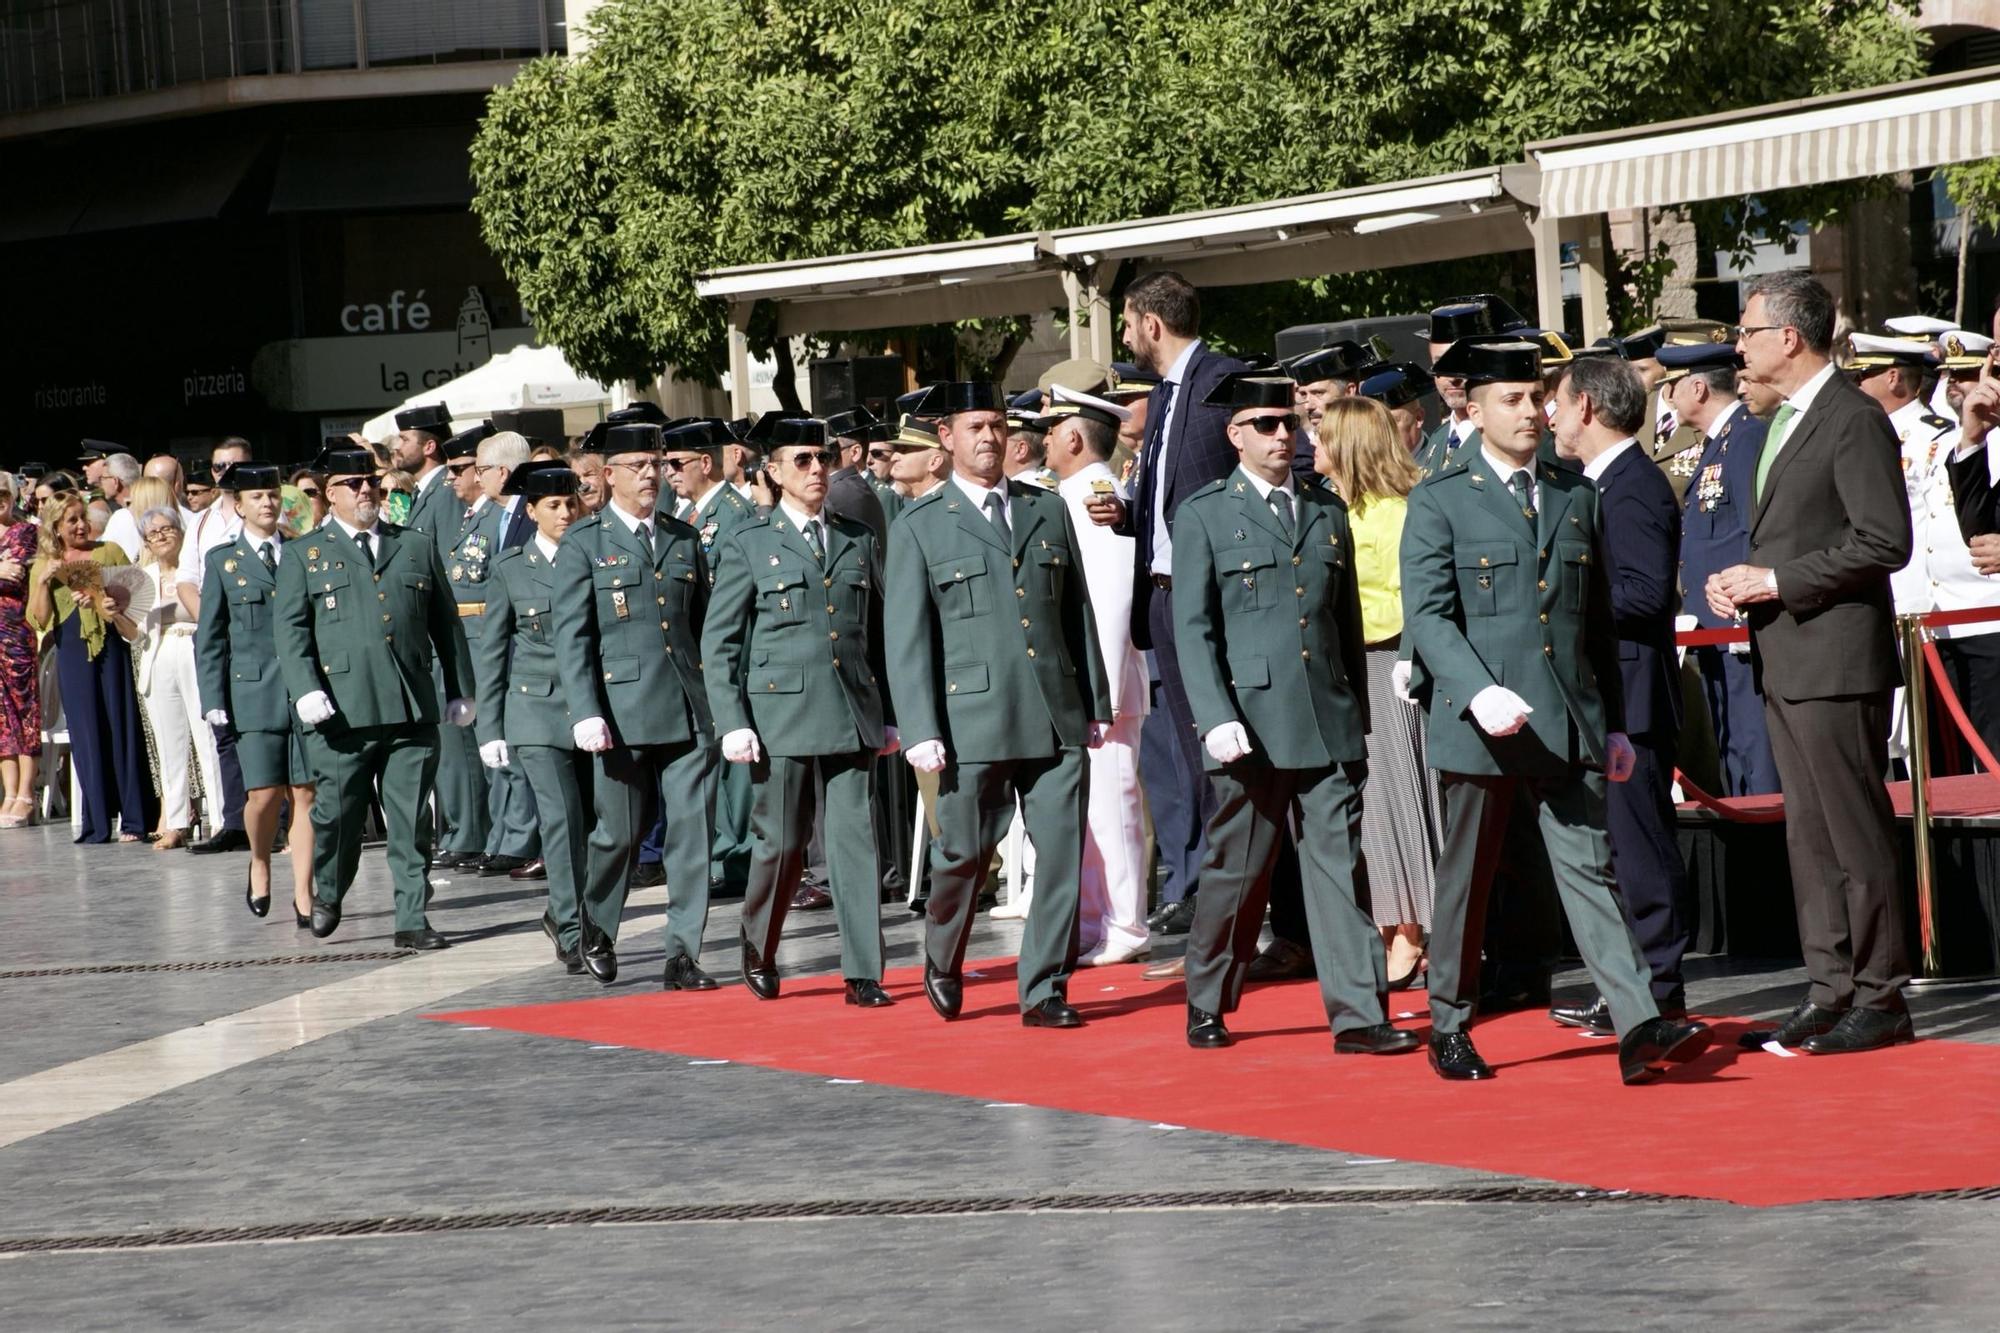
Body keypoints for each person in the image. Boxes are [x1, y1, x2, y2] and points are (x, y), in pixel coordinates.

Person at [1401, 336, 1711, 1084]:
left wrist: (1609, 722)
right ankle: (1449, 1021)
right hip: (1484, 722)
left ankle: (1638, 1023)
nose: (1532, 412)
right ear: (1473, 411)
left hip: (1567, 715)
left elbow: (1594, 618)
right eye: (1511, 400)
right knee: (1467, 879)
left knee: (1591, 869)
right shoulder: (1440, 498)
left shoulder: (1575, 494)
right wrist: (1478, 690)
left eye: (1537, 397)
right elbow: (1432, 617)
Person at [1166, 371, 1416, 1055]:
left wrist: (1356, 717)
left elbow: (1341, 617)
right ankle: (1208, 997)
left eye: (1290, 424)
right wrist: (1215, 715)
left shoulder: (1325, 508)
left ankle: (1360, 1013)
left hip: (1327, 716)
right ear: (1235, 435)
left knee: (1338, 868)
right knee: (1238, 869)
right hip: (1250, 722)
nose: (1284, 436)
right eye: (1267, 425)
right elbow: (1195, 626)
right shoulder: (1205, 513)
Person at [1710, 273, 1915, 1055]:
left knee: (1855, 833)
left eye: (1747, 330)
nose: (1739, 344)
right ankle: (1830, 987)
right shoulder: (1785, 421)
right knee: (1811, 837)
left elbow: (1882, 539)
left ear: (1788, 337)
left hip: (1835, 658)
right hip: (1788, 653)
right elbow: (1794, 535)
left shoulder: (1851, 418)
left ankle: (1880, 993)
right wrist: (1746, 580)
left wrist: (1779, 581)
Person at [885, 381, 1114, 1028]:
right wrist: (922, 726)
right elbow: (907, 638)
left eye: (995, 424)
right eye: (975, 426)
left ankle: (1043, 987)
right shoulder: (921, 526)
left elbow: (1077, 611)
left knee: (1061, 854)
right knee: (961, 855)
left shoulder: (1046, 508)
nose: (989, 437)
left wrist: (1094, 697)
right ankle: (942, 956)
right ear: (946, 440)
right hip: (971, 723)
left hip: (1052, 712)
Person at [702, 430, 898, 1005]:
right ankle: (757, 941)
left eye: (824, 459)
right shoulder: (748, 543)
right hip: (781, 713)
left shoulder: (856, 538)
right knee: (783, 842)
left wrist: (889, 712)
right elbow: (722, 643)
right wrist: (732, 720)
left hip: (850, 708)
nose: (818, 469)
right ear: (775, 472)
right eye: (803, 460)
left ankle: (864, 970)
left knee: (856, 842)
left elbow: (876, 634)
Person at [1086, 270, 1247, 943]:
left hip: (1209, 604)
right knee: (1195, 758)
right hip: (1165, 605)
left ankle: (1236, 909)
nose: (1126, 337)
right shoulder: (1165, 393)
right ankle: (1219, 904)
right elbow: (1174, 499)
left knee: (1225, 763)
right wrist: (1128, 515)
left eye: (1126, 324)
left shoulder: (1220, 383)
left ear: (1152, 324)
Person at [1546, 356, 1694, 1032]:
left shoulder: (1631, 486)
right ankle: (1634, 986)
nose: (1548, 415)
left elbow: (1643, 592)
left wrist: (1560, 600)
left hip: (1634, 698)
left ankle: (1659, 989)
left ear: (1586, 407)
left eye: (1555, 400)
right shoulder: (1600, 482)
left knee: (1641, 849)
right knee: (1618, 851)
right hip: (1611, 696)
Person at [275, 446, 473, 949]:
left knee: (410, 820)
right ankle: (330, 890)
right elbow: (292, 633)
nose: (367, 490)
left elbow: (445, 624)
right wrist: (305, 690)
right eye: (353, 483)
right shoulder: (304, 554)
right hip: (343, 708)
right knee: (338, 815)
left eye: (371, 482)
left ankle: (411, 918)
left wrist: (459, 689)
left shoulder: (414, 545)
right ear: (330, 493)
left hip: (410, 704)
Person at [552, 422, 719, 989]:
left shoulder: (682, 537)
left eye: (656, 464)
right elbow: (571, 637)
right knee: (617, 835)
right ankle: (595, 924)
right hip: (620, 713)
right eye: (638, 466)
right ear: (608, 475)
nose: (651, 475)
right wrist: (585, 710)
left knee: (692, 835)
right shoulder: (585, 543)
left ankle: (683, 954)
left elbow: (702, 628)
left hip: (687, 707)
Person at [1315, 397, 1441, 988]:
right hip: (1351, 665)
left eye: (1322, 437)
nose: (1310, 447)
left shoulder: (1395, 512)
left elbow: (1409, 596)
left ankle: (1413, 930)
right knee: (1372, 809)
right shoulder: (1338, 508)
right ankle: (1396, 925)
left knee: (1399, 801)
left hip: (1388, 661)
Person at [1040, 386, 1151, 966]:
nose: (1044, 438)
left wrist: (1098, 694)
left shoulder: (1096, 495)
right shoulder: (1074, 493)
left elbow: (1109, 601)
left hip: (1103, 685)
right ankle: (1094, 919)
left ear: (1075, 437)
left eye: (1052, 428)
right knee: (1090, 813)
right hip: (1088, 688)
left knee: (1113, 806)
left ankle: (1125, 924)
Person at [472, 460, 593, 974]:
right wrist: (490, 726)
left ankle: (563, 910)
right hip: (537, 711)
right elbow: (493, 651)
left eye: (572, 502)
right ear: (531, 510)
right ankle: (572, 928)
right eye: (553, 505)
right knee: (563, 823)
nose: (566, 513)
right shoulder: (511, 568)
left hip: (594, 712)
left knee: (596, 824)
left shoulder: (597, 555)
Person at [196, 462, 316, 925]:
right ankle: (261, 860)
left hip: (303, 690)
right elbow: (211, 637)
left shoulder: (303, 551)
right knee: (264, 795)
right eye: (257, 497)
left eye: (272, 495)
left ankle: (304, 893)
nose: (268, 503)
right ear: (238, 506)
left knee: (305, 792)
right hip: (253, 692)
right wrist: (214, 698)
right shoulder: (223, 561)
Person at [1659, 340, 1778, 796]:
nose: (1667, 399)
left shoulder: (1746, 438)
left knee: (1754, 754)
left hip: (1738, 627)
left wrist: (1747, 611)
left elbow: (1755, 528)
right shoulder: (1717, 444)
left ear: (1697, 388)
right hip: (1712, 626)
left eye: (1672, 387)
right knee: (1731, 754)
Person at [26, 493, 154, 843]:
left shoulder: (108, 550)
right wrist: (41, 581)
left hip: (111, 644)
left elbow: (137, 593)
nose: (82, 525)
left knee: (122, 726)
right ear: (56, 527)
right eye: (72, 520)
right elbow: (39, 619)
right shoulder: (45, 564)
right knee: (86, 734)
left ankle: (135, 819)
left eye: (83, 517)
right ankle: (96, 822)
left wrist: (106, 600)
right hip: (71, 650)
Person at [466, 429, 543, 880]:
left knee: (528, 756)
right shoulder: (498, 516)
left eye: (480, 470)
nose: (476, 480)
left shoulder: (528, 515)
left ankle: (524, 841)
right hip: (504, 644)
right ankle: (513, 838)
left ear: (502, 472)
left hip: (527, 647)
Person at [176, 437, 254, 855]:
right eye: (218, 466)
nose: (225, 473)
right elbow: (186, 577)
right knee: (222, 727)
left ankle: (272, 819)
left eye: (234, 465)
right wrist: (210, 620)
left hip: (254, 634)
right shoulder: (202, 521)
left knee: (261, 725)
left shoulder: (262, 510)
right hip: (215, 634)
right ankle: (235, 821)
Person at [428, 424, 498, 872]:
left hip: (480, 636)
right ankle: (472, 831)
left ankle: (483, 832)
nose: (450, 478)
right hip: (462, 637)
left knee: (480, 740)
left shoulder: (494, 517)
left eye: (459, 469)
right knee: (461, 737)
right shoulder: (472, 516)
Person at [133, 504, 223, 851]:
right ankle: (176, 820)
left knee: (208, 737)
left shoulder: (196, 566)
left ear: (180, 529)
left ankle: (219, 817)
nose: (160, 537)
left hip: (194, 646)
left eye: (166, 529)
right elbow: (134, 632)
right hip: (158, 654)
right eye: (152, 534)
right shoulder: (142, 577)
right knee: (168, 742)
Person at [1413, 294, 1528, 475]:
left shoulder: (1515, 434)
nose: (1452, 377)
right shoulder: (1439, 438)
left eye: (1461, 363)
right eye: (1440, 364)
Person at [0, 474, 42, 828]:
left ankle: (27, 793)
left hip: (14, 634)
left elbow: (12, 577)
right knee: (0, 718)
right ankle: (9, 792)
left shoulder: (24, 532)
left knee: (23, 709)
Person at [821, 407, 891, 540]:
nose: (825, 458)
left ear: (855, 452)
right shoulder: (854, 487)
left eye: (832, 450)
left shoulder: (883, 494)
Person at [391, 403, 458, 540]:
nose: (397, 447)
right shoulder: (420, 491)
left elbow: (448, 556)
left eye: (405, 440)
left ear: (429, 447)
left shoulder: (447, 493)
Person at [1357, 363, 1436, 460]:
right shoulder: (1370, 468)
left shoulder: (1437, 462)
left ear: (1418, 418)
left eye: (1392, 422)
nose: (1384, 432)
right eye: (1377, 424)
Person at [98, 454, 145, 558]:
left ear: (115, 481)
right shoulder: (156, 509)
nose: (101, 483)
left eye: (103, 478)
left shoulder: (120, 517)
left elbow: (104, 556)